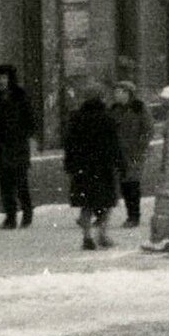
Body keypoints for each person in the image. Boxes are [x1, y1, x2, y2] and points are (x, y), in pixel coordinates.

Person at [61, 81, 124, 251]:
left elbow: (69, 144)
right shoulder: (107, 118)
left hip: (83, 167)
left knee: (86, 203)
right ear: (102, 98)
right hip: (103, 167)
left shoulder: (76, 118)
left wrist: (70, 164)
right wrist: (120, 163)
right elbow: (114, 144)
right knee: (106, 201)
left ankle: (87, 236)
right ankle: (102, 234)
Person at [0, 63, 37, 229]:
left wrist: (22, 135)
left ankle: (27, 212)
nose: (2, 81)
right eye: (0, 77)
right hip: (2, 147)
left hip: (18, 146)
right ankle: (10, 216)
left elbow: (30, 121)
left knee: (21, 182)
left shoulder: (21, 96)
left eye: (5, 77)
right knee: (5, 184)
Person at [109, 79, 154, 226]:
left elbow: (148, 129)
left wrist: (140, 146)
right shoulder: (114, 109)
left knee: (132, 184)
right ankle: (128, 215)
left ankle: (134, 216)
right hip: (118, 153)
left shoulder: (139, 108)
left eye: (118, 92)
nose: (115, 95)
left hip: (134, 153)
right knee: (122, 184)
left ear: (127, 93)